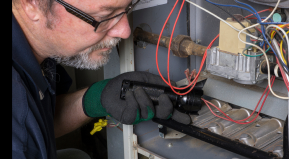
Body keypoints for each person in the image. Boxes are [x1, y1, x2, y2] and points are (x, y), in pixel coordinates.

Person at [12, 0, 190, 158]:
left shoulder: (41, 47)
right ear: (31, 4)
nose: (125, 31)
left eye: (127, 8)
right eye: (104, 15)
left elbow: (40, 122)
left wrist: (97, 98)